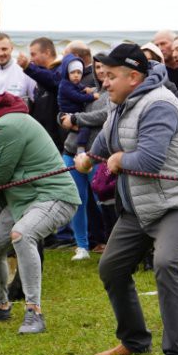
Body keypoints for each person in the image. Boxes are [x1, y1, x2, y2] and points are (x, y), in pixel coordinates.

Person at [75, 43, 178, 355]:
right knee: (111, 268)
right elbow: (107, 139)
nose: (104, 82)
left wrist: (119, 161)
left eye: (111, 76)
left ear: (134, 77)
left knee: (165, 264)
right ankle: (134, 340)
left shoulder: (159, 104)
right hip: (141, 204)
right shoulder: (121, 103)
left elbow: (149, 160)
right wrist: (90, 157)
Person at [0, 81, 79, 335]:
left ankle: (34, 313)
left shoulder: (6, 124)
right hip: (25, 200)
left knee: (22, 234)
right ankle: (0, 306)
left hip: (53, 197)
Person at [59, 60, 112, 260]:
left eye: (104, 67)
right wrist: (63, 117)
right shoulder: (83, 89)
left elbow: (104, 115)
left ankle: (110, 242)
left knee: (103, 201)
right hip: (72, 150)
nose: (100, 71)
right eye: (97, 67)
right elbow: (64, 107)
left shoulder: (113, 92)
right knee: (76, 200)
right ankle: (81, 245)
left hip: (98, 154)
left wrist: (76, 119)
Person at [0, 33, 36, 102]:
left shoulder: (25, 70)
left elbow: (34, 100)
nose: (1, 53)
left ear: (11, 48)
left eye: (4, 49)